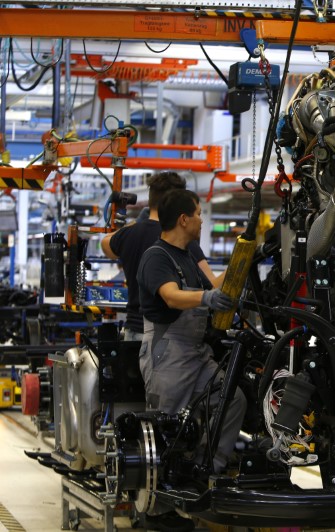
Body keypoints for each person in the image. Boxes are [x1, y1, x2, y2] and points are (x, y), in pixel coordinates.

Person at [136, 189, 246, 530]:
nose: (201, 220)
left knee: (233, 400)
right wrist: (208, 297)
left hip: (197, 353)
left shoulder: (187, 256)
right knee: (165, 430)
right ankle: (156, 511)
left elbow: (214, 285)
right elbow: (171, 297)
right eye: (198, 214)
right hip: (168, 351)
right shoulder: (157, 256)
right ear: (183, 219)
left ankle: (204, 472)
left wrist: (243, 260)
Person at [101, 171, 224, 341]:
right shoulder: (179, 240)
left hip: (133, 331)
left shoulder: (130, 234)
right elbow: (212, 286)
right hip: (164, 337)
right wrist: (240, 265)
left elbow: (105, 243)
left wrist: (136, 222)